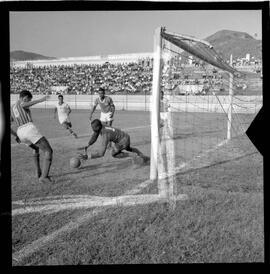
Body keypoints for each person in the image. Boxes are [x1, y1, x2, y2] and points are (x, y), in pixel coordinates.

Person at [10, 90, 54, 183]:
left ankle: (38, 172)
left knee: (35, 149)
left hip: (20, 132)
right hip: (28, 129)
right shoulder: (22, 103)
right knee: (48, 151)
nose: (28, 101)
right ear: (24, 97)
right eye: (28, 99)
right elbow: (24, 105)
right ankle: (44, 177)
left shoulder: (12, 107)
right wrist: (41, 100)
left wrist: (16, 136)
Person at [77, 119, 149, 164]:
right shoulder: (102, 125)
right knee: (128, 148)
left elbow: (101, 154)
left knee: (114, 153)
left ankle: (133, 156)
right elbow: (95, 135)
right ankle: (142, 155)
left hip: (123, 141)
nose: (93, 129)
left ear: (98, 127)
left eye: (94, 128)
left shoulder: (105, 135)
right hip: (126, 136)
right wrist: (88, 145)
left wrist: (88, 157)